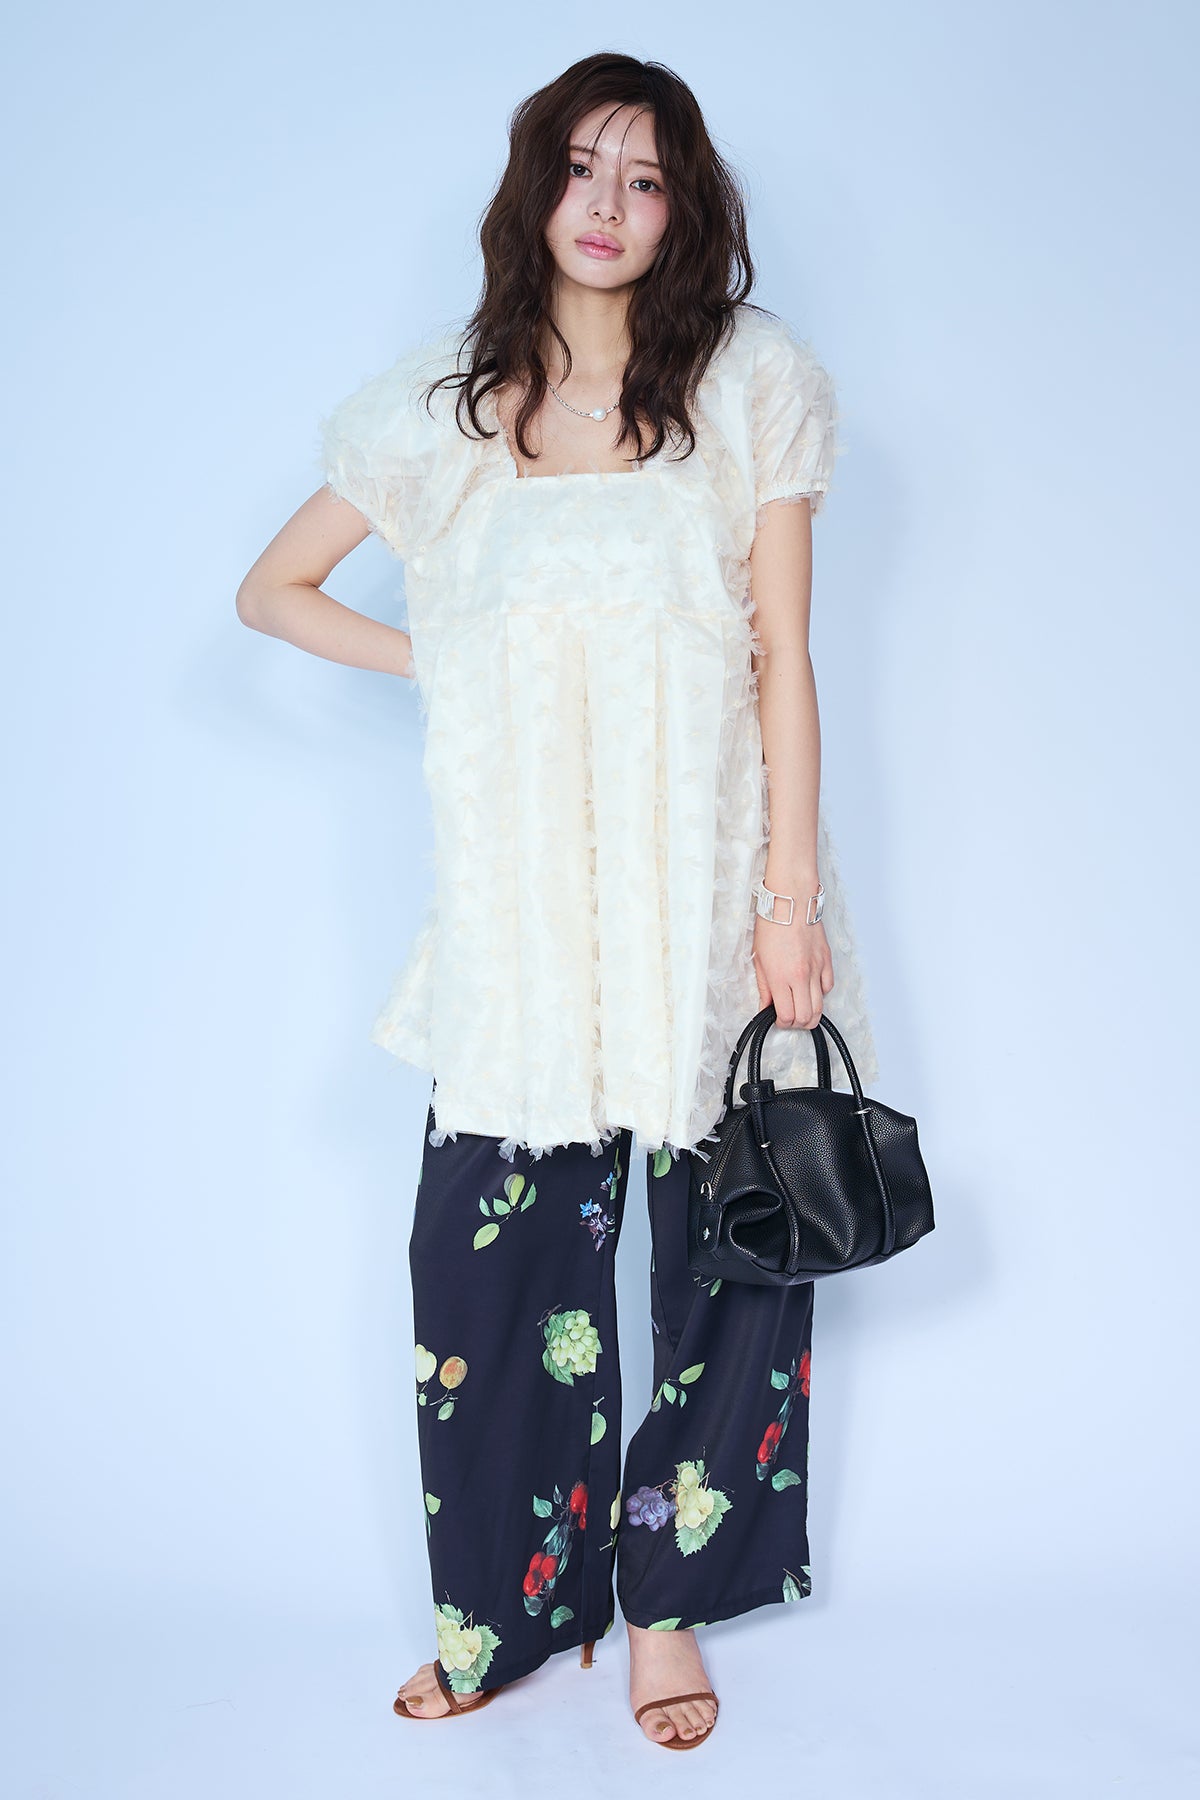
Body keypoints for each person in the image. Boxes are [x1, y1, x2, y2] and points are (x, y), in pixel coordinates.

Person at [237, 52, 878, 1750]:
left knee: (732, 1260)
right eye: (583, 167)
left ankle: (666, 1607)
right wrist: (445, 662)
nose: (607, 204)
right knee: (488, 1272)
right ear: (535, 187)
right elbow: (273, 590)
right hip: (524, 915)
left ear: (683, 210)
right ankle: (508, 1612)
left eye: (645, 178)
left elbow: (786, 659)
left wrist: (791, 897)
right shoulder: (447, 408)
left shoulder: (749, 383)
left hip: (710, 897)